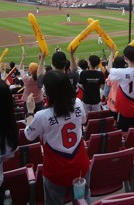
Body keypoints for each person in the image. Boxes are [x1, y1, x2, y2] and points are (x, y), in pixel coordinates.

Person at [24, 72, 90, 205]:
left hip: (56, 171)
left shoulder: (42, 115)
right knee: (82, 201)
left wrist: (30, 111)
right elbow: (83, 119)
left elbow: (29, 135)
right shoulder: (77, 102)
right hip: (80, 166)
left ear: (49, 92)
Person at [107, 45, 134, 131]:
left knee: (122, 131)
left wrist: (112, 53)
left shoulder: (121, 73)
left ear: (125, 58)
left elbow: (109, 69)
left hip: (124, 109)